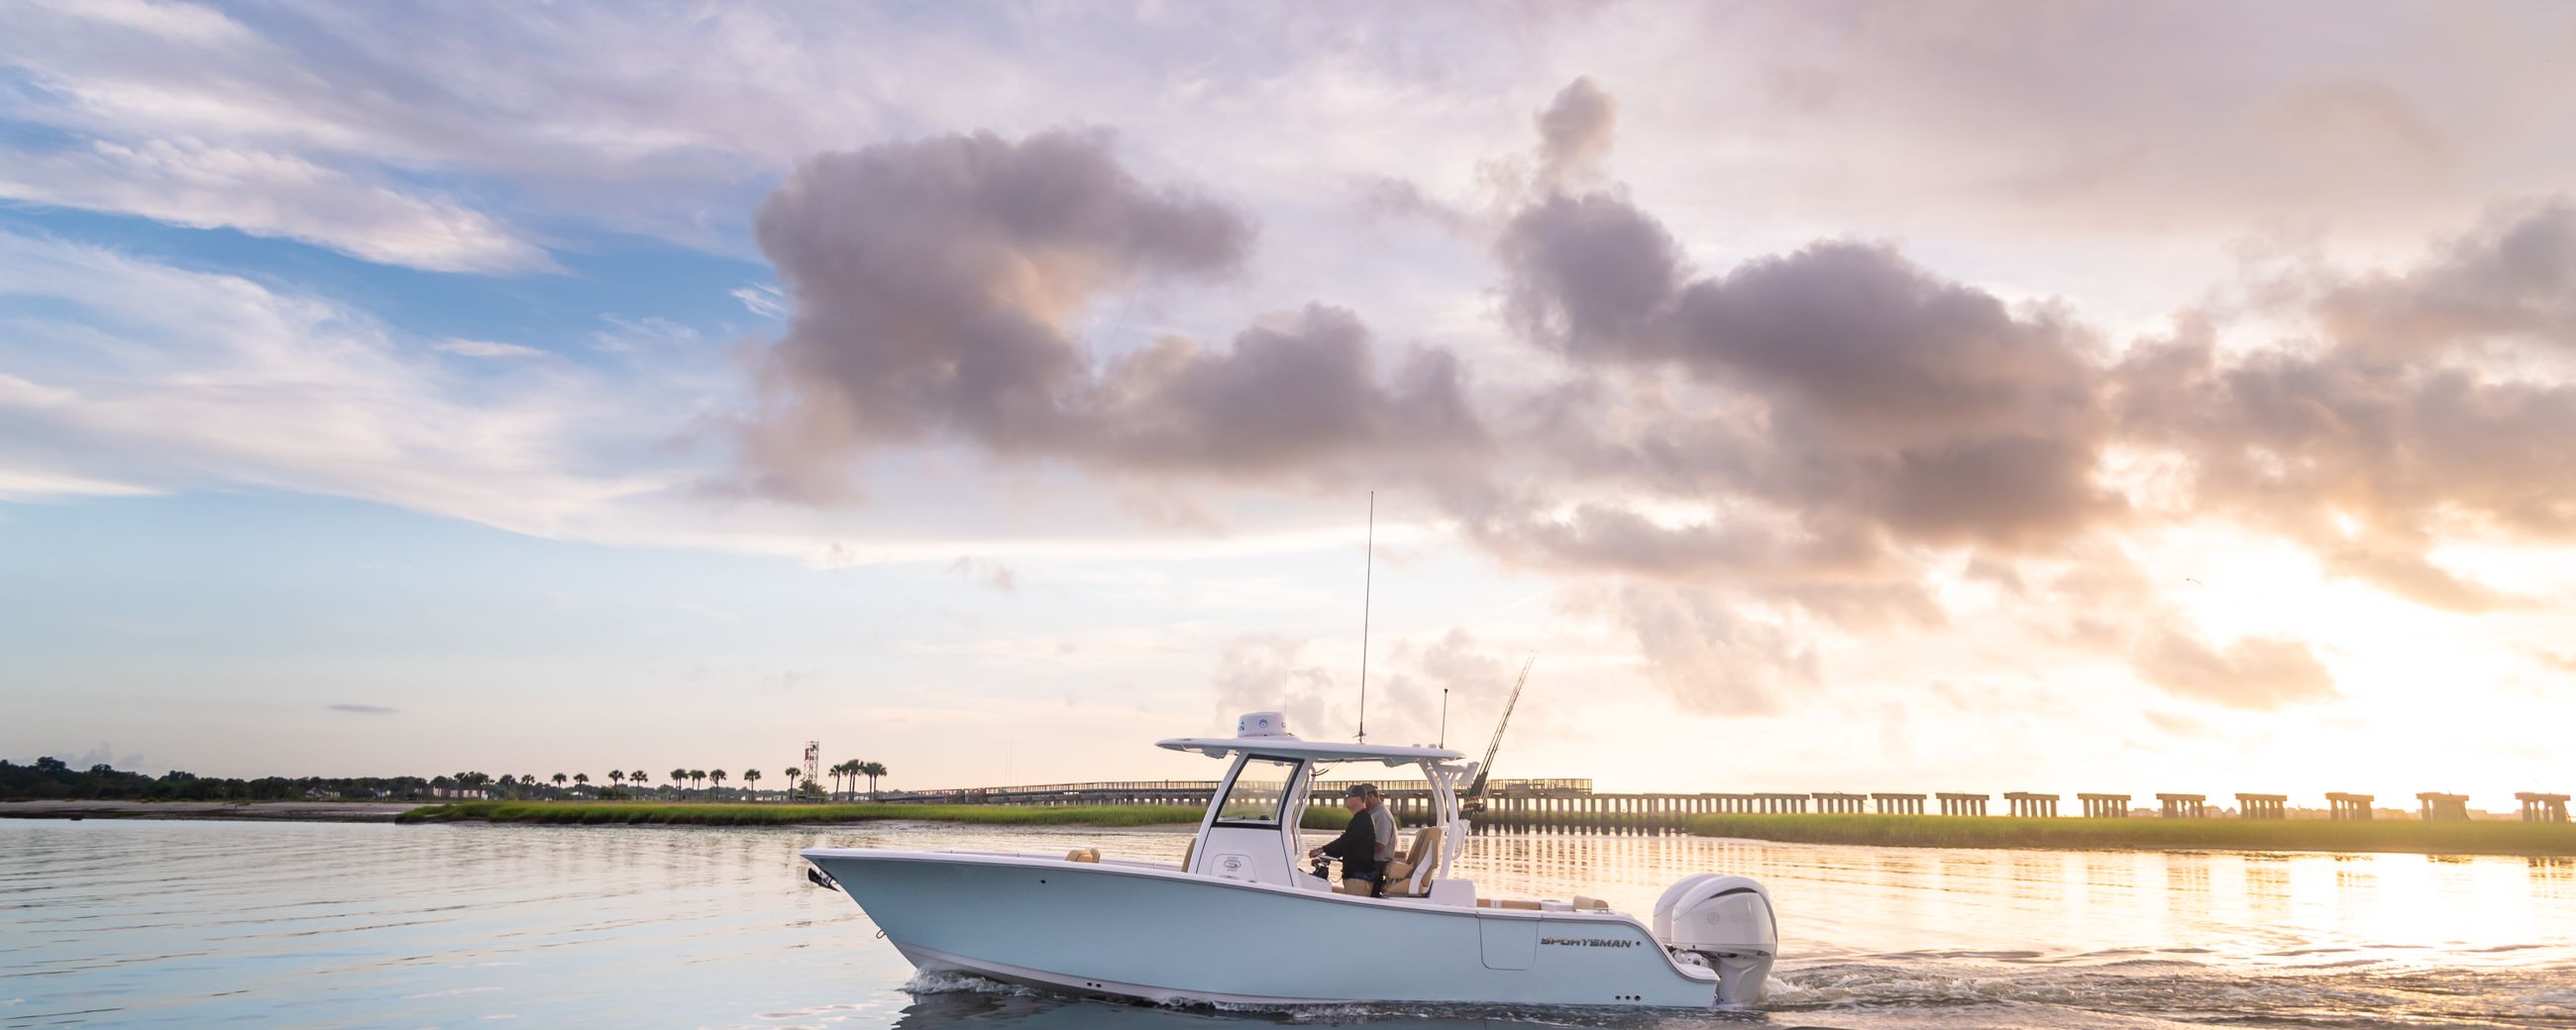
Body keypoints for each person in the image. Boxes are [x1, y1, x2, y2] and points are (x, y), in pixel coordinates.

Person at [1307, 783, 1382, 894]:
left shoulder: (1362, 820)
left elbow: (1344, 841)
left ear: (1358, 798)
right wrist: (1323, 858)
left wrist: (1321, 850)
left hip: (1358, 879)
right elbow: (1345, 846)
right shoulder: (1359, 818)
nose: (1345, 799)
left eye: (1348, 796)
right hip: (1353, 877)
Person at [1365, 783, 1398, 869]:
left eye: (1362, 799)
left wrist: (1357, 848)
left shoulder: (1381, 814)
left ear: (1371, 796)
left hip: (1378, 864)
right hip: (1372, 861)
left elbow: (1380, 845)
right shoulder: (1374, 812)